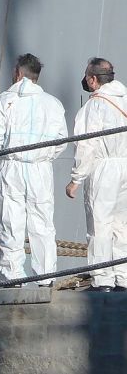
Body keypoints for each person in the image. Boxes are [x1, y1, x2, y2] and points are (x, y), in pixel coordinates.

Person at [0, 53, 67, 287]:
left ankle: (13, 276)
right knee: (42, 224)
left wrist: (10, 153)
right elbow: (62, 140)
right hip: (40, 169)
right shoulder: (53, 104)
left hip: (12, 166)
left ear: (18, 74)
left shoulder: (6, 100)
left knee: (11, 221)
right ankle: (46, 277)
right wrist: (43, 156)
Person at [66, 57, 127, 292]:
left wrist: (76, 179)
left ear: (93, 79)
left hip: (105, 168)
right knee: (121, 225)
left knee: (99, 225)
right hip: (125, 166)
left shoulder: (95, 105)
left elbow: (86, 145)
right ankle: (123, 277)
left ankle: (102, 279)